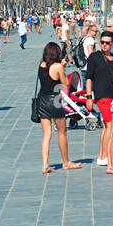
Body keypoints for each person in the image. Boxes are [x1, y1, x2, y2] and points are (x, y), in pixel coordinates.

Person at [33, 42, 78, 173]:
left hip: (42, 100)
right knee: (62, 132)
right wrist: (63, 67)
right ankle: (66, 162)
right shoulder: (57, 66)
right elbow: (65, 83)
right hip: (55, 101)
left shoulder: (41, 64)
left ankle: (45, 165)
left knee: (47, 134)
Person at [84, 30, 113, 171]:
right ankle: (105, 157)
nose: (104, 45)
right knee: (110, 125)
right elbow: (89, 78)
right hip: (102, 97)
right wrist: (89, 97)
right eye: (102, 42)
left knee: (107, 127)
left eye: (107, 42)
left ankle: (102, 155)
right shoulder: (94, 57)